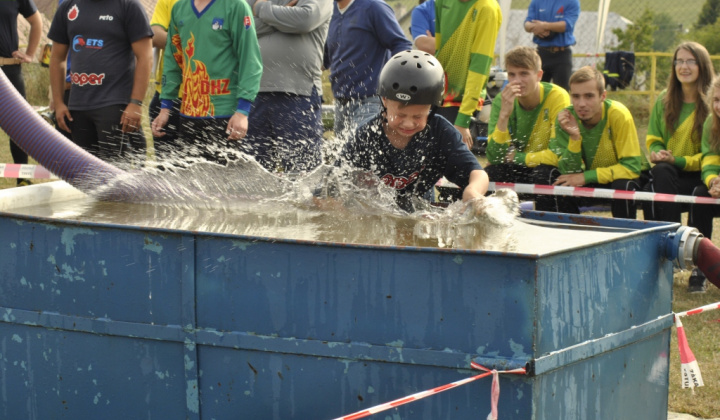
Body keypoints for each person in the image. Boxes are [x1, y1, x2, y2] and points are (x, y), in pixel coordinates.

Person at [337, 50, 488, 212]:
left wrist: (473, 192)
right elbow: (330, 187)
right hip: (373, 212)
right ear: (385, 101)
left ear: (431, 108)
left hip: (420, 210)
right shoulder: (366, 136)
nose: (408, 124)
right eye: (400, 115)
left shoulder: (440, 133)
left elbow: (478, 174)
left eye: (418, 116)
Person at [151, 0, 263, 165]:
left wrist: (242, 112)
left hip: (225, 115)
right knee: (188, 181)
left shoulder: (236, 6)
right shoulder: (179, 8)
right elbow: (173, 60)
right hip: (188, 114)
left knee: (222, 183)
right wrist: (166, 107)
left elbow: (250, 61)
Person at [48, 0, 152, 165]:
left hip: (114, 106)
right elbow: (57, 58)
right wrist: (59, 102)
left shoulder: (128, 6)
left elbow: (145, 57)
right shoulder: (68, 7)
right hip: (77, 107)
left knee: (116, 174)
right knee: (87, 174)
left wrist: (136, 103)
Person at [243, 0, 332, 173]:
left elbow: (305, 20)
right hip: (253, 94)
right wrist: (283, 17)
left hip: (299, 93)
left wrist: (261, 10)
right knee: (253, 174)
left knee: (303, 174)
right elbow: (242, 28)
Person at [548, 66, 646, 219]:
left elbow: (631, 168)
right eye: (576, 96)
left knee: (622, 186)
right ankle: (570, 237)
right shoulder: (566, 118)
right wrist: (574, 138)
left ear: (603, 96)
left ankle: (625, 237)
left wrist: (586, 177)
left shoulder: (619, 114)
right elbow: (568, 171)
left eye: (589, 96)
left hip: (629, 177)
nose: (581, 103)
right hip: (593, 177)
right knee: (562, 185)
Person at [485, 46, 569, 211]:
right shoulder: (502, 101)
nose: (517, 81)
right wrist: (504, 116)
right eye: (512, 74)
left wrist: (519, 158)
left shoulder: (558, 97)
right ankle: (494, 227)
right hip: (525, 167)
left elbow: (558, 155)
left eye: (524, 73)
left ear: (539, 75)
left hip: (551, 169)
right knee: (489, 174)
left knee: (544, 174)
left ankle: (546, 226)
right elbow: (494, 157)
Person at [643, 42, 714, 225]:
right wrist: (658, 152)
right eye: (679, 61)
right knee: (658, 174)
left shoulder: (713, 103)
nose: (684, 67)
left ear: (703, 66)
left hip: (701, 173)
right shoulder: (664, 99)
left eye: (691, 61)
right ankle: (669, 233)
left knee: (666, 180)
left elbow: (710, 156)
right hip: (669, 172)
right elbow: (654, 138)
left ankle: (690, 245)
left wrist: (677, 160)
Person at [323, 0, 411, 143]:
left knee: (362, 152)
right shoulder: (329, 10)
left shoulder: (374, 7)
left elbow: (401, 44)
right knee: (345, 159)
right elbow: (326, 58)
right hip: (341, 102)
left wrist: (394, 84)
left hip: (371, 100)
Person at [434, 0, 502, 150]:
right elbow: (439, 50)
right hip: (437, 92)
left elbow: (480, 65)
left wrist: (463, 119)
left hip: (462, 99)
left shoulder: (487, 8)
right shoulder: (441, 1)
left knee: (449, 156)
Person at [1, 0, 42, 185]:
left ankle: (22, 180)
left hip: (10, 71)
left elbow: (36, 21)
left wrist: (30, 54)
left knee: (19, 129)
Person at [687, 75, 720, 293]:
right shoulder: (711, 122)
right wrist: (713, 181)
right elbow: (709, 160)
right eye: (716, 100)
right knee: (700, 195)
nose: (719, 106)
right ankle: (702, 267)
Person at [148, 0, 181, 162]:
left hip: (206, 98)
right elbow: (155, 34)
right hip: (166, 96)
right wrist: (193, 47)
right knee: (167, 170)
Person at [524, 0, 579, 91]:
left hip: (562, 54)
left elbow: (567, 25)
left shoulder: (572, 2)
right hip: (541, 53)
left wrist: (544, 26)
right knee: (536, 90)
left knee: (563, 92)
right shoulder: (536, 2)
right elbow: (527, 24)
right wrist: (536, 28)